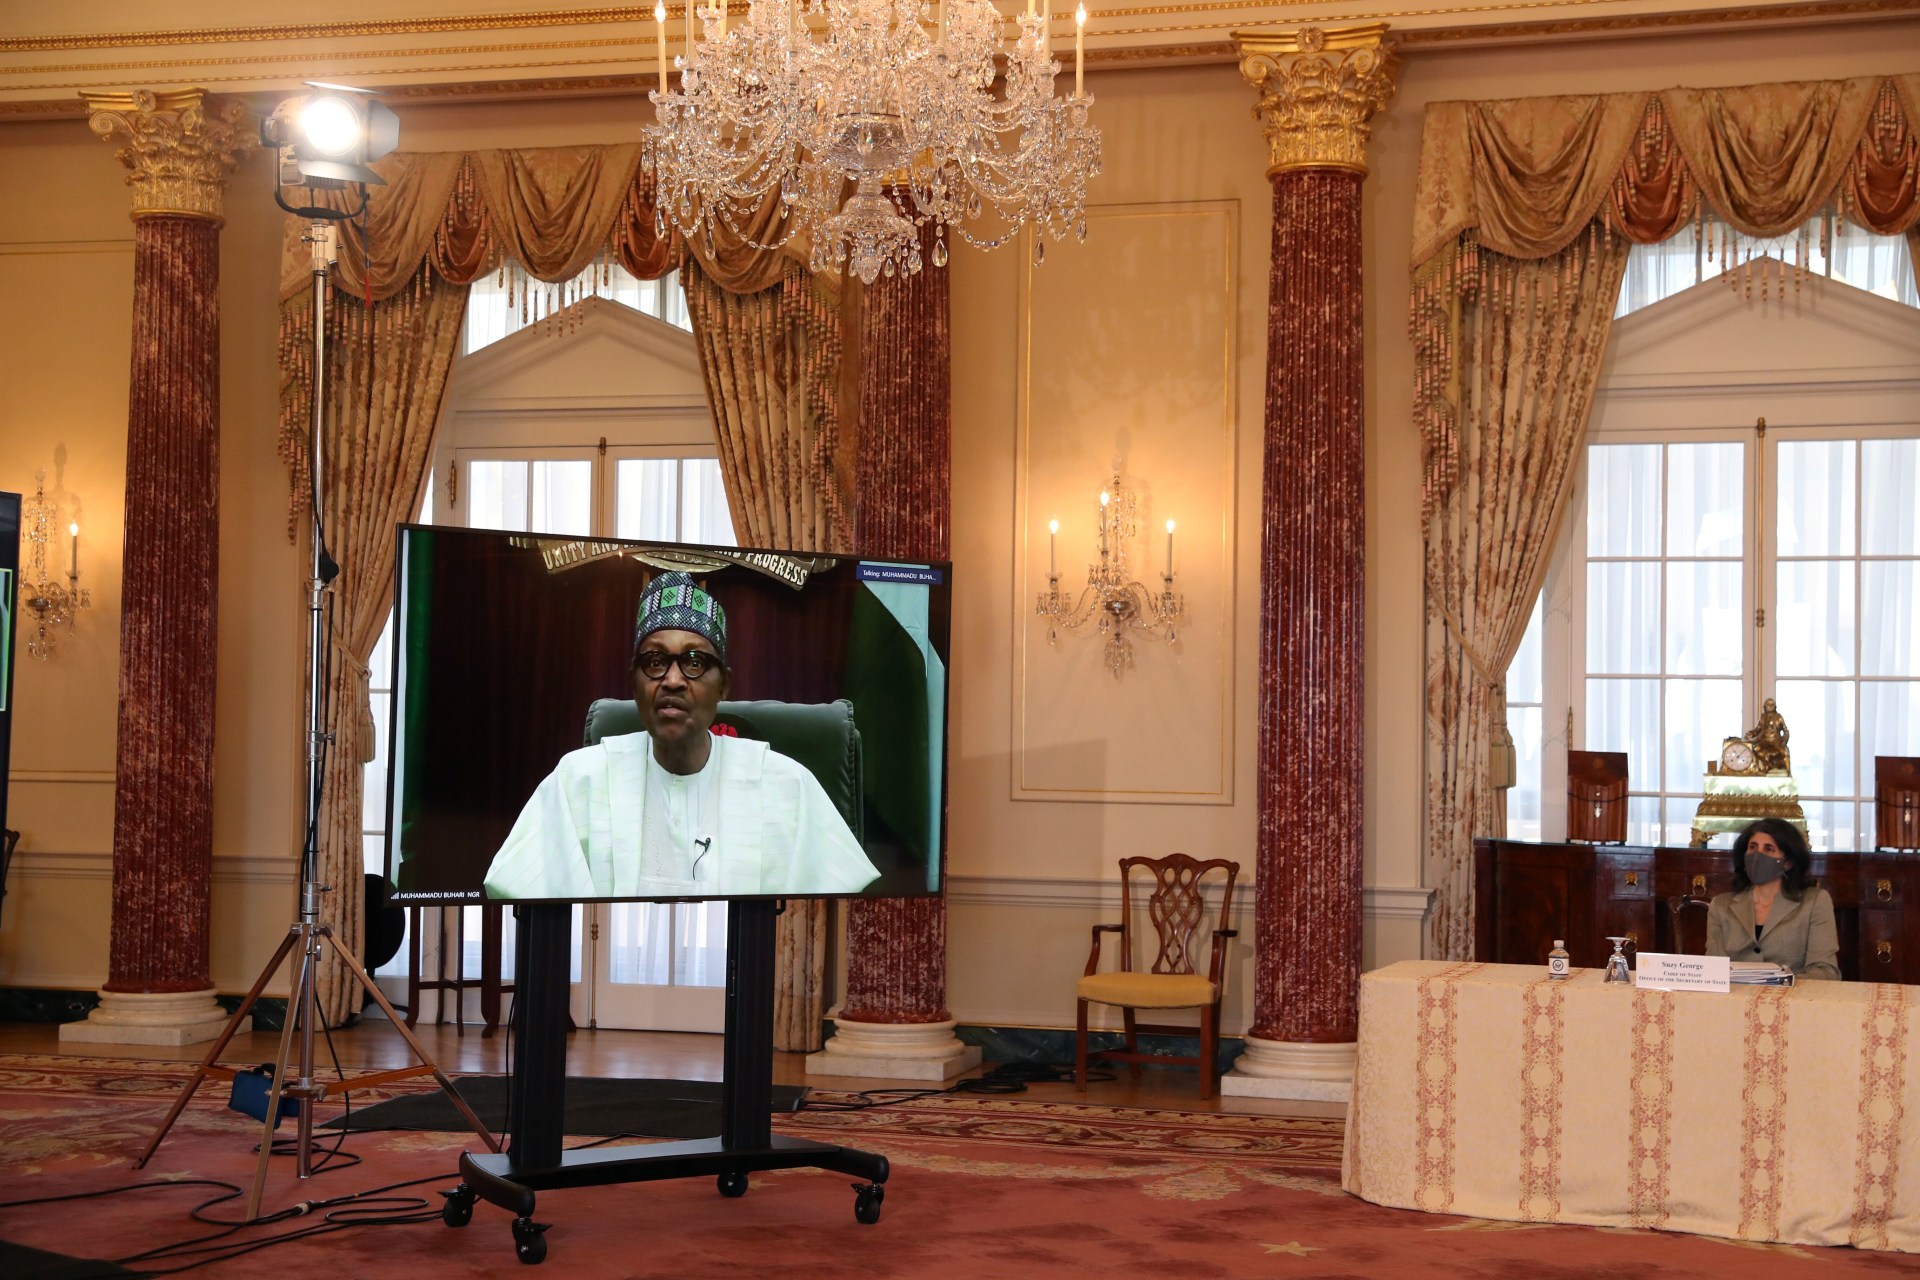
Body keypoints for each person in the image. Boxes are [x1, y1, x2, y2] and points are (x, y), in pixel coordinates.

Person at [484, 571, 881, 901]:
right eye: (655, 661)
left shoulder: (786, 784)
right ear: (634, 683)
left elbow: (839, 900)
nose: (672, 680)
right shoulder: (579, 780)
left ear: (724, 685)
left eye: (694, 662)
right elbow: (519, 885)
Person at [1704, 818, 1839, 980]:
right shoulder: (1720, 906)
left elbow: (1825, 971)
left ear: (1787, 863)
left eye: (1769, 849)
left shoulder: (1815, 901)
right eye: (1752, 847)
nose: (1757, 855)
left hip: (1791, 999)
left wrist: (1780, 984)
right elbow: (1713, 971)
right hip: (1736, 999)